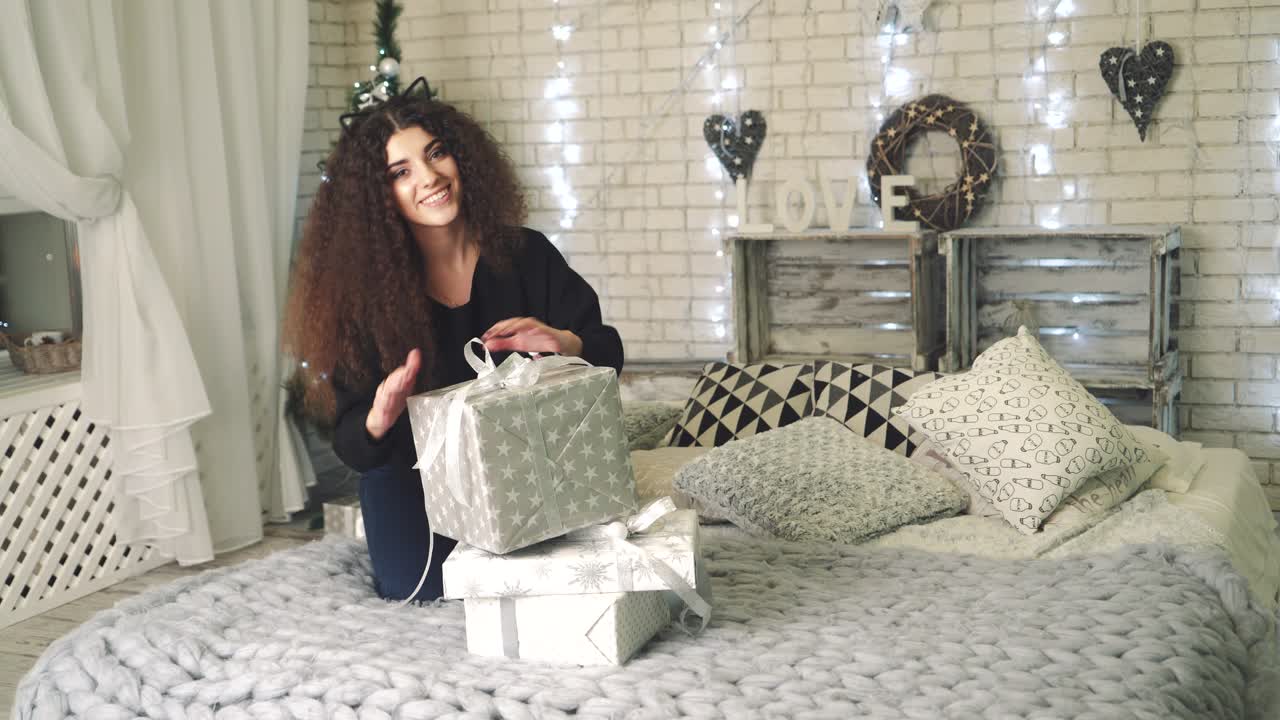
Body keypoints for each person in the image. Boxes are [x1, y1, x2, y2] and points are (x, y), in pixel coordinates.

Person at [284, 78, 624, 602]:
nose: (430, 177)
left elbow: (609, 354)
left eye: (436, 153)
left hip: (526, 464)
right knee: (418, 590)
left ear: (462, 157)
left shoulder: (526, 254)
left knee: (562, 576)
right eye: (401, 172)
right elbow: (352, 443)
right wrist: (380, 415)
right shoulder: (362, 296)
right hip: (411, 476)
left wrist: (567, 343)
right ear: (380, 198)